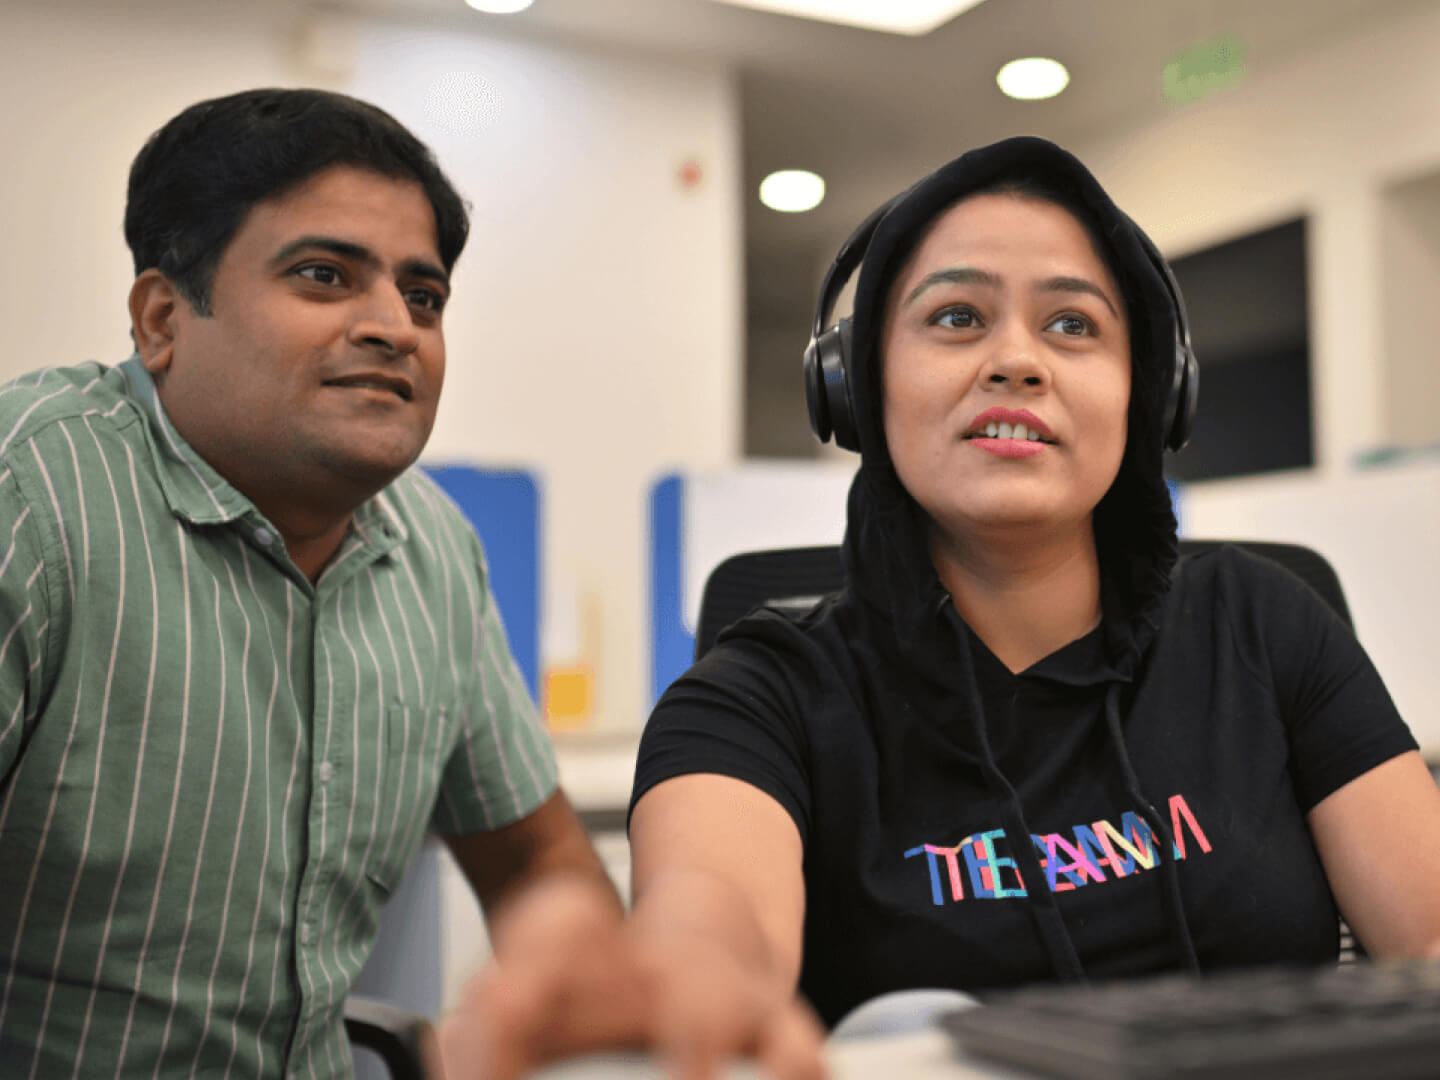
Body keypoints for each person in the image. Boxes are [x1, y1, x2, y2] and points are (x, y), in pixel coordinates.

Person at [619, 135, 1440, 1036]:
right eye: (958, 318)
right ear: (857, 387)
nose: (1018, 361)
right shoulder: (757, 698)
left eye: (1073, 324)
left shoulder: (1264, 624)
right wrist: (670, 987)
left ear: (1149, 394)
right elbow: (709, 945)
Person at [0, 88, 619, 1078]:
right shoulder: (29, 498)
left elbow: (539, 863)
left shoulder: (433, 549)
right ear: (161, 319)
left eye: (424, 297)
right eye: (325, 275)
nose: (396, 328)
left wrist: (585, 1015)